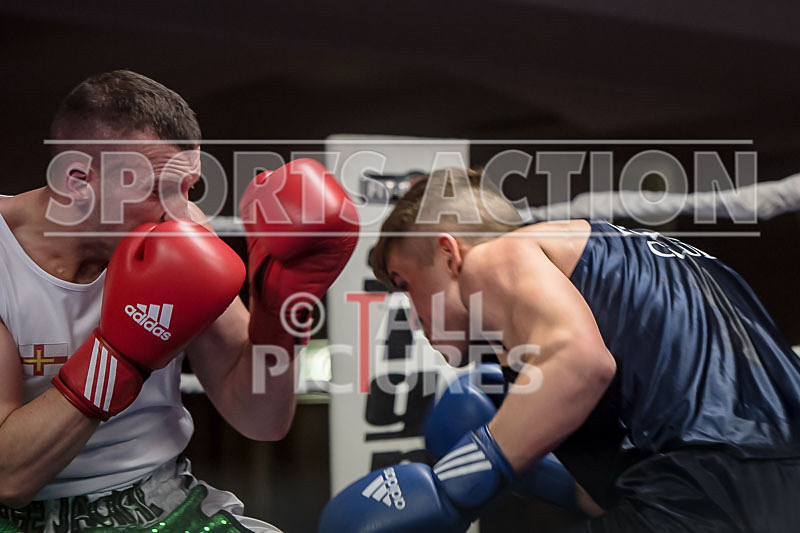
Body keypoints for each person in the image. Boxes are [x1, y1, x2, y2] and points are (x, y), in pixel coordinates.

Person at [319, 167, 800, 532]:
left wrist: (451, 486)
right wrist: (534, 472)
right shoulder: (670, 269)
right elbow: (624, 483)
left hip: (694, 495)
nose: (413, 311)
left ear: (450, 252)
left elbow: (581, 362)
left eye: (406, 284)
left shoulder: (496, 257)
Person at [0, 70, 358, 532]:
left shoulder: (183, 233)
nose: (178, 211)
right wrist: (121, 355)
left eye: (187, 187)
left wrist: (277, 311)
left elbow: (260, 419)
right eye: (156, 189)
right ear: (76, 180)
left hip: (159, 502)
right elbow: (8, 476)